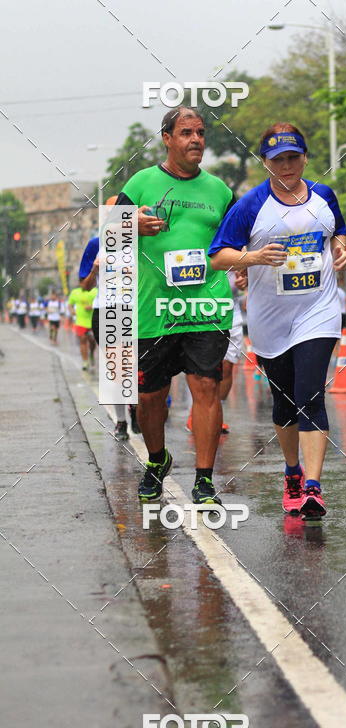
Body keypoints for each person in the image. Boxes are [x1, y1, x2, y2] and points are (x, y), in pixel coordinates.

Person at [209, 122, 346, 518]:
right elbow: (218, 255)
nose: (287, 166)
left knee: (310, 395)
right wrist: (252, 258)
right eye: (278, 160)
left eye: (293, 157)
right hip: (270, 317)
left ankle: (313, 487)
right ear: (266, 163)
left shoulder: (323, 196)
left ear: (305, 158)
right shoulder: (251, 204)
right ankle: (291, 471)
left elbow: (337, 231)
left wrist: (340, 250)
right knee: (284, 402)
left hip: (317, 310)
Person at [116, 106, 235, 506]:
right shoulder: (142, 182)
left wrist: (245, 264)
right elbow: (109, 235)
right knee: (150, 396)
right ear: (167, 138)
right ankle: (156, 460)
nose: (196, 140)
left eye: (200, 132)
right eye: (186, 132)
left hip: (206, 304)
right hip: (155, 307)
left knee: (205, 386)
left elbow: (230, 241)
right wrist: (131, 224)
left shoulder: (219, 190)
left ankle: (204, 480)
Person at [79, 196, 134, 441]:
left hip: (135, 309)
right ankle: (122, 420)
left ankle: (136, 405)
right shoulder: (95, 243)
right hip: (107, 310)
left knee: (133, 367)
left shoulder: (138, 242)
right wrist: (94, 269)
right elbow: (84, 285)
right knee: (117, 368)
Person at [185, 267, 246, 435]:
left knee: (226, 369)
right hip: (200, 313)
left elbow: (242, 278)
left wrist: (243, 282)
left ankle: (214, 413)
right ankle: (199, 413)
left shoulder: (232, 243)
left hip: (230, 314)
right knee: (202, 373)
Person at [67, 281, 97, 370]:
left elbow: (102, 304)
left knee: (92, 342)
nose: (84, 284)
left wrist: (92, 306)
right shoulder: (75, 292)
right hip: (80, 322)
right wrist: (71, 310)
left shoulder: (95, 291)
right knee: (82, 341)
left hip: (93, 321)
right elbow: (70, 305)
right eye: (82, 283)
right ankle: (85, 361)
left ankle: (91, 353)